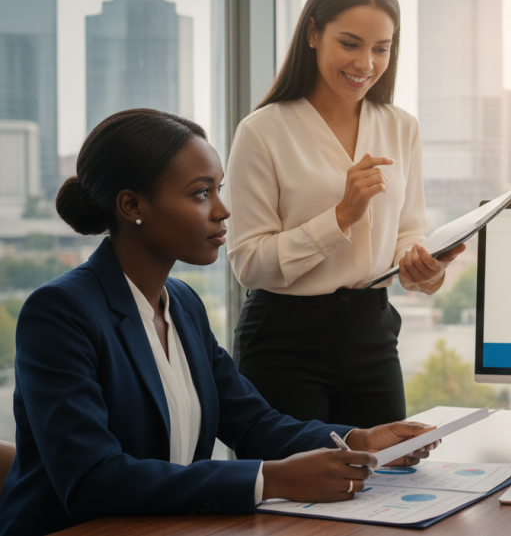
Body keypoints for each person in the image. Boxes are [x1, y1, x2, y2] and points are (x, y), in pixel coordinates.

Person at [0, 109, 437, 536]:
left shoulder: (183, 304)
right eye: (200, 194)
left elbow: (252, 423)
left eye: (218, 190)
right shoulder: (60, 312)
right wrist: (272, 480)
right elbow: (93, 479)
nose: (223, 211)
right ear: (132, 205)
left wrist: (358, 440)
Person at [225, 0, 463, 430]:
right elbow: (249, 263)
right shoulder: (262, 131)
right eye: (350, 44)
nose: (366, 64)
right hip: (284, 341)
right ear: (313, 32)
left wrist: (423, 266)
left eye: (381, 49)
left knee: (385, 489)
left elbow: (408, 229)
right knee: (293, 495)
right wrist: (342, 216)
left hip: (373, 335)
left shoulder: (401, 126)